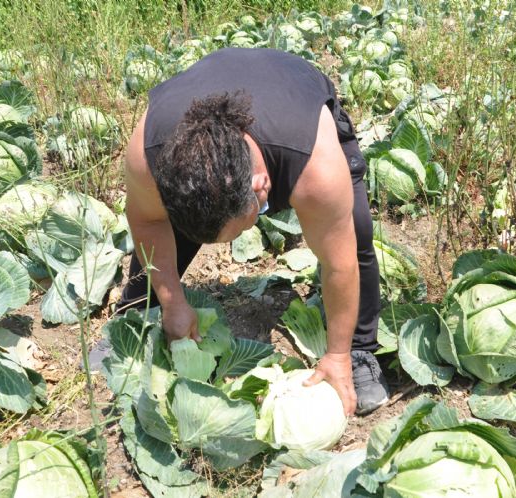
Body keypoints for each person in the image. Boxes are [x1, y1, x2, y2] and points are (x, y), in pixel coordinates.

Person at [103, 47, 388, 416]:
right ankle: (140, 311)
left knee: (357, 234)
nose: (232, 244)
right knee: (181, 223)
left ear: (262, 186)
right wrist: (171, 299)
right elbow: (147, 221)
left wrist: (336, 353)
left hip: (293, 92)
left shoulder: (315, 169)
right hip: (209, 88)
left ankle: (360, 350)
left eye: (239, 231)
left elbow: (340, 265)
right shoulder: (150, 156)